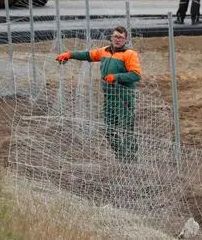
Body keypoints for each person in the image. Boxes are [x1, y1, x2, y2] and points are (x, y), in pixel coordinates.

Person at [56, 26, 141, 163]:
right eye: (115, 37)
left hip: (123, 98)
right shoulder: (104, 52)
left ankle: (132, 160)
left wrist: (116, 77)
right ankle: (122, 158)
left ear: (126, 39)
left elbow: (136, 75)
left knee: (126, 129)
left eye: (121, 37)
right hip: (109, 98)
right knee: (109, 130)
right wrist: (70, 54)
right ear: (111, 38)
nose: (118, 40)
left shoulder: (130, 54)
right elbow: (87, 55)